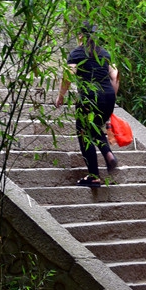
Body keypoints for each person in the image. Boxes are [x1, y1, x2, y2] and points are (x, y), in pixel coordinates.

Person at [55, 24, 119, 187]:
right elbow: (115, 75)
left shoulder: (77, 53)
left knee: (84, 133)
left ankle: (94, 176)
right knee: (95, 128)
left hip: (90, 97)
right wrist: (112, 96)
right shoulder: (104, 53)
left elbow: (68, 76)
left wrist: (61, 96)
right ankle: (108, 155)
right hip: (108, 96)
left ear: (81, 36)